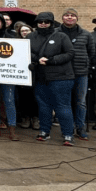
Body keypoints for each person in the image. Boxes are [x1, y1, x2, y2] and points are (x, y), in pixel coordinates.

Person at [28, 12, 76, 145]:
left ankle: (68, 134)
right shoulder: (31, 36)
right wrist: (37, 59)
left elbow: (70, 53)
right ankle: (44, 131)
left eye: (46, 21)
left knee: (62, 106)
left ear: (51, 23)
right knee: (43, 106)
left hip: (61, 77)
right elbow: (25, 51)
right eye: (40, 22)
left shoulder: (61, 36)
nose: (43, 24)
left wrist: (51, 60)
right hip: (40, 77)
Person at [58, 8, 93, 140]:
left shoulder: (86, 34)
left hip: (80, 73)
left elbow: (91, 52)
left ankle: (80, 127)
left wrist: (86, 66)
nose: (69, 17)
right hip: (62, 74)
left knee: (80, 102)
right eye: (66, 15)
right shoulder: (56, 33)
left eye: (72, 15)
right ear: (62, 18)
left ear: (77, 18)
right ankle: (67, 128)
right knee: (64, 103)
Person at [13, 22, 38, 128]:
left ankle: (36, 118)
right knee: (23, 98)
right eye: (22, 31)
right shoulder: (16, 43)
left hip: (35, 74)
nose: (24, 32)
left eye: (26, 30)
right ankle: (26, 118)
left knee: (34, 98)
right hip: (21, 75)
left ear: (31, 31)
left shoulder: (37, 42)